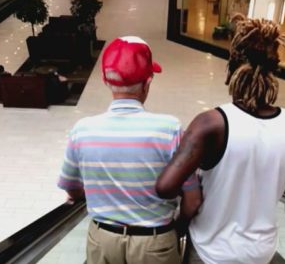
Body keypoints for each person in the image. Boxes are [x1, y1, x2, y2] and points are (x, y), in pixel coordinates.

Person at [155, 16, 285, 264]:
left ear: (232, 67)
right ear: (274, 70)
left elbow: (165, 186)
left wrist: (193, 181)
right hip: (260, 254)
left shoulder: (211, 124)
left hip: (210, 252)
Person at [57, 36, 200, 264]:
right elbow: (192, 199)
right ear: (147, 83)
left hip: (102, 241)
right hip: (155, 244)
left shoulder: (82, 130)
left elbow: (71, 189)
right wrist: (178, 229)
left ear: (105, 80)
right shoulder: (169, 129)